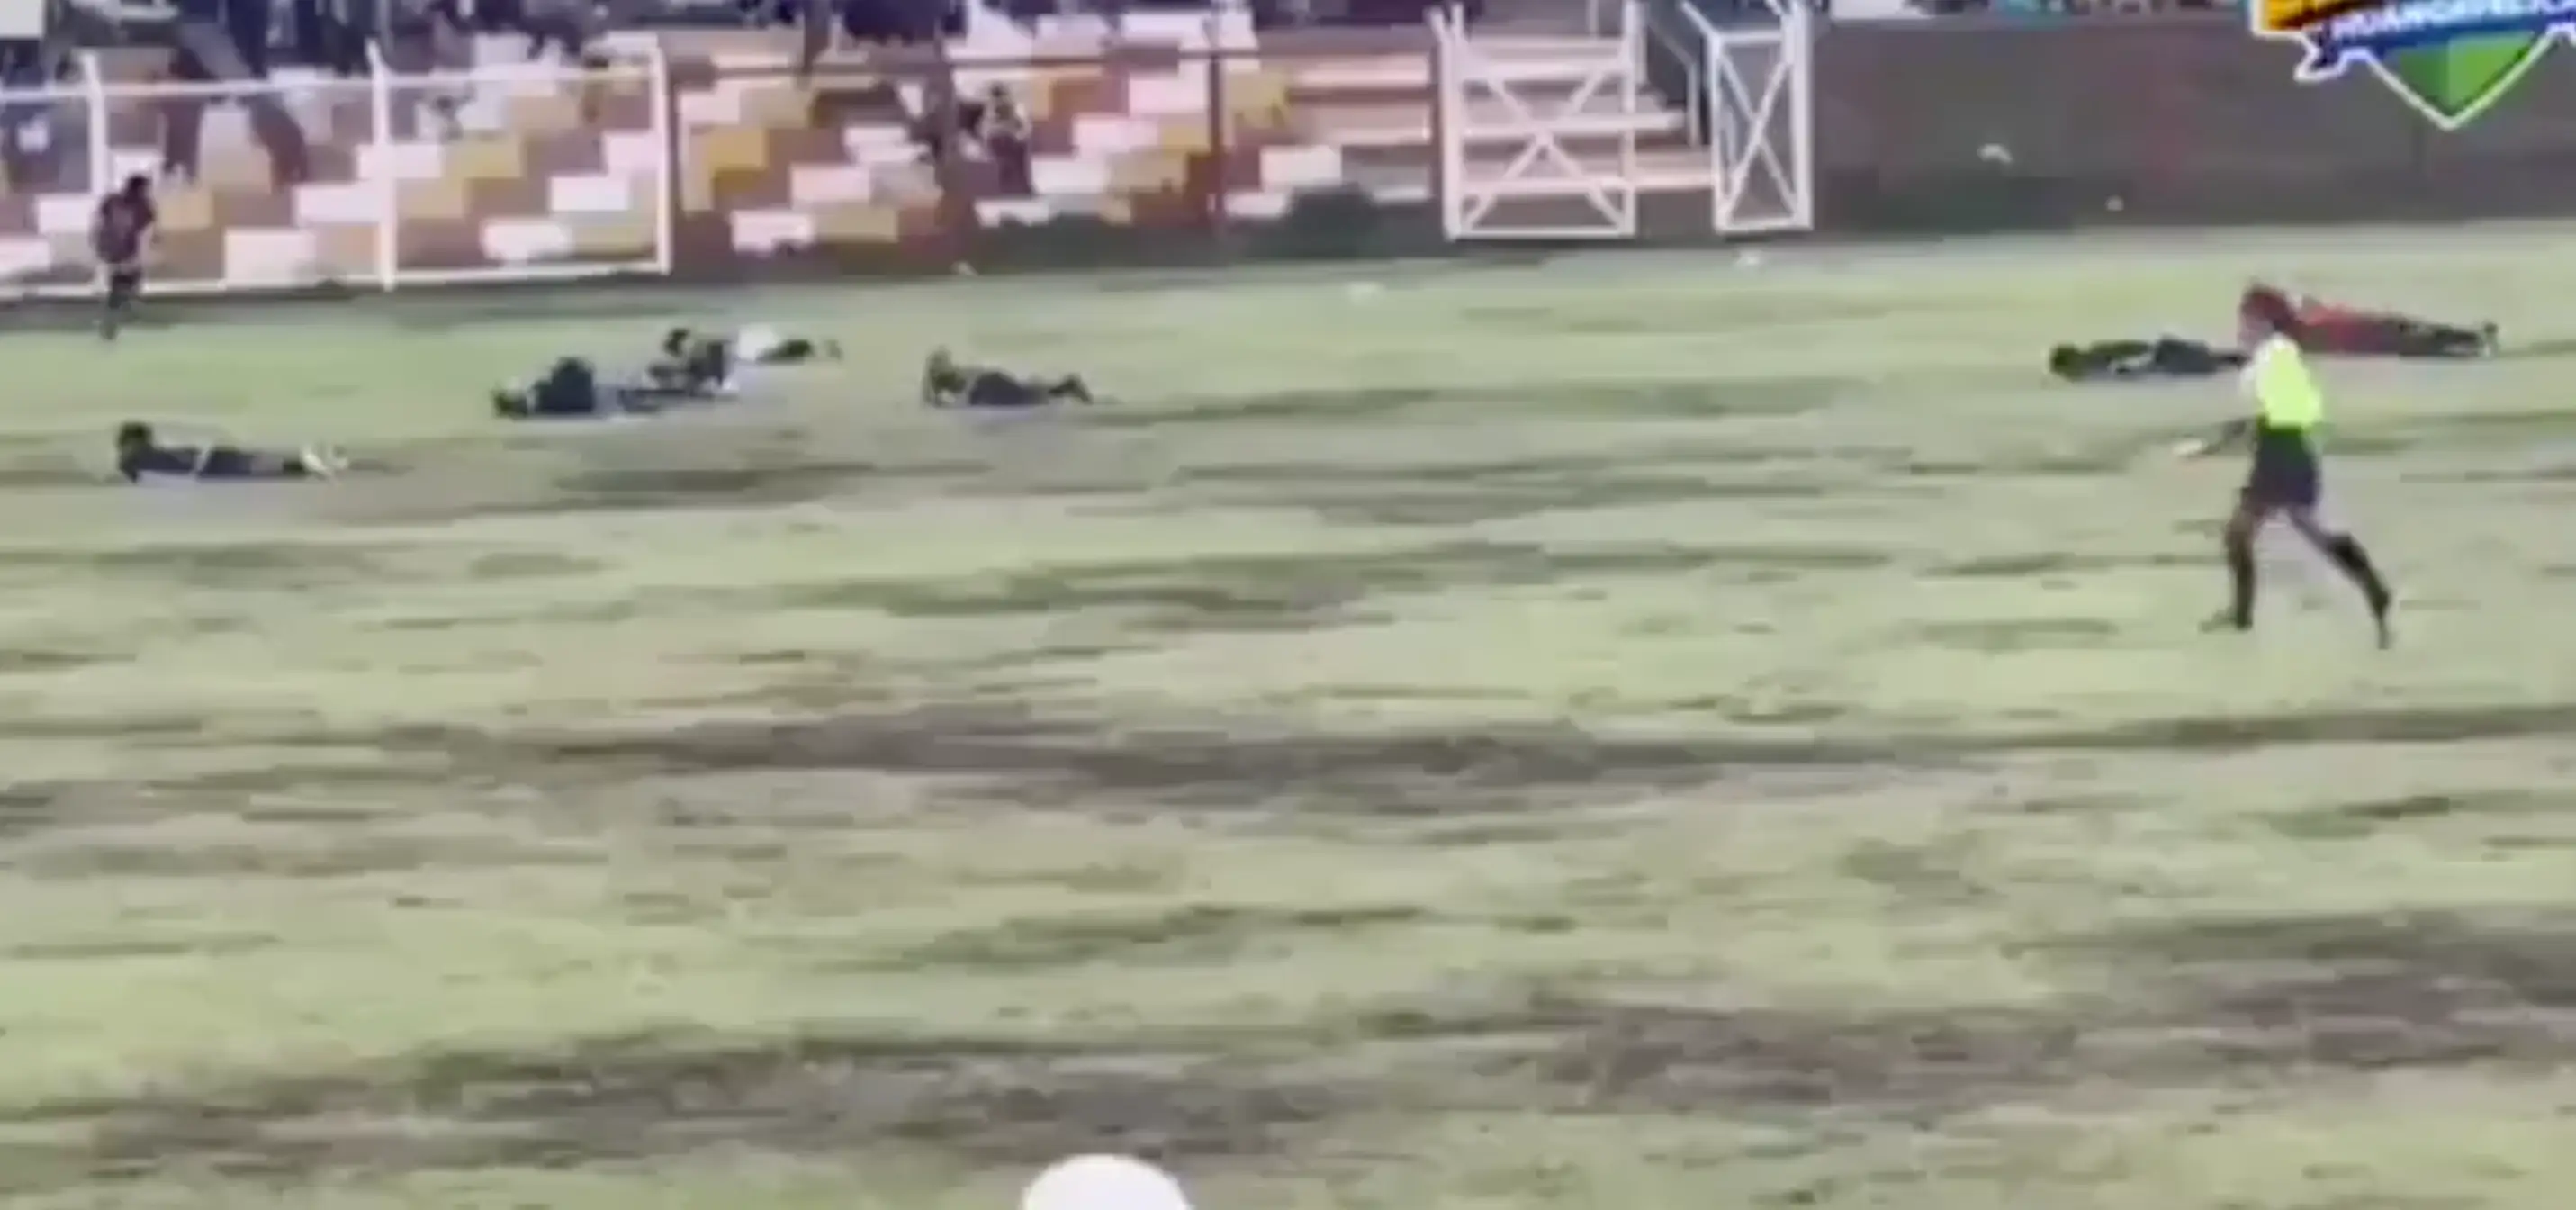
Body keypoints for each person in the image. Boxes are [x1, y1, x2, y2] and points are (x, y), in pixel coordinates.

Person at [2172, 286, 2395, 646]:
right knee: (2305, 529)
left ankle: (2242, 616)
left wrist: (2211, 446)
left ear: (2262, 320)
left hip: (2281, 451)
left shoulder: (2274, 356)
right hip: (2289, 449)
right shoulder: (2276, 354)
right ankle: (2374, 590)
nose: (2241, 327)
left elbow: (2268, 415)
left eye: (2246, 319)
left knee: (2242, 533)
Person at [2287, 288, 2496, 359]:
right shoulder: (2304, 324)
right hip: (2370, 331)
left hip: (2370, 332)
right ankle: (2473, 339)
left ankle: (2472, 339)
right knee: (2416, 336)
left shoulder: (2303, 326)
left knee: (2415, 337)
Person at [113, 420, 346, 483]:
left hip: (208, 464)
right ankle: (310, 468)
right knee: (256, 465)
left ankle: (308, 468)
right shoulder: (136, 455)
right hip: (209, 465)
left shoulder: (135, 457)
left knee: (257, 466)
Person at [91, 175, 157, 342]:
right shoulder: (143, 206)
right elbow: (144, 235)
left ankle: (116, 313)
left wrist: (98, 245)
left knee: (120, 283)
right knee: (129, 280)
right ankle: (116, 315)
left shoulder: (111, 200)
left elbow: (98, 222)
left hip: (110, 250)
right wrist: (140, 257)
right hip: (126, 251)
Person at [923, 348, 1094, 408]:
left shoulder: (954, 379)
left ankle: (1067, 386)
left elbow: (959, 397)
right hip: (990, 381)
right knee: (1028, 394)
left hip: (987, 386)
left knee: (1028, 396)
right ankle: (1066, 386)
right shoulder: (956, 376)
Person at [2049, 336, 2246, 382]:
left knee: (2221, 363)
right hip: (2163, 358)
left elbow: (2134, 348)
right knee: (2222, 363)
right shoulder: (2095, 368)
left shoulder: (2098, 358)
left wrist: (2139, 365)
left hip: (2164, 357)